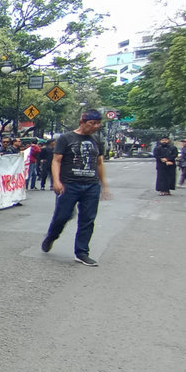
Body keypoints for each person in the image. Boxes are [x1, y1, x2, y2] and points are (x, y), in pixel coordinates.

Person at [41, 110, 111, 267]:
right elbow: (56, 161)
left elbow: (99, 163)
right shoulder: (66, 138)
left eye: (98, 124)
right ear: (82, 122)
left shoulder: (97, 140)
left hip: (91, 184)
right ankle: (52, 236)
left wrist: (104, 184)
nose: (95, 127)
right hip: (69, 184)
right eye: (92, 124)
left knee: (88, 219)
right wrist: (56, 181)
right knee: (62, 216)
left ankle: (82, 252)